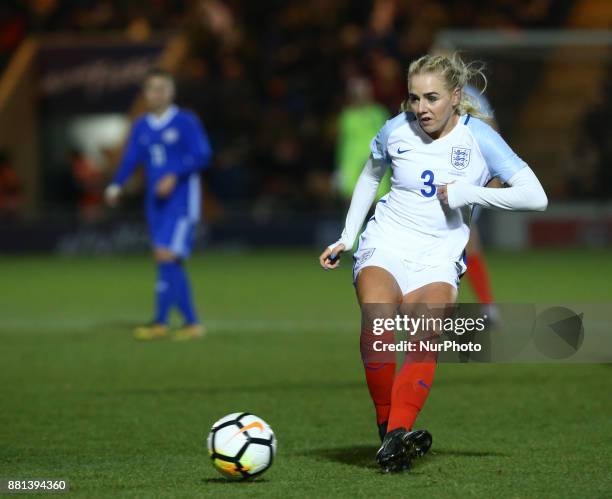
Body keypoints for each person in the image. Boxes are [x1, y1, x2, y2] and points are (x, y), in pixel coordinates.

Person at [318, 53, 547, 472]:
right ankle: (389, 430)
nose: (421, 108)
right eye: (414, 98)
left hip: (439, 255)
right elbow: (371, 176)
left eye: (432, 98)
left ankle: (394, 437)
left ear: (456, 97)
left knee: (424, 338)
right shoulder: (396, 130)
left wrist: (469, 193)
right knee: (379, 327)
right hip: (386, 242)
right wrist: (348, 236)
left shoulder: (480, 138)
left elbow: (535, 196)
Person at [105, 68, 212, 341]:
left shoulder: (185, 121)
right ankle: (187, 324)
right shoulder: (141, 124)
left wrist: (174, 175)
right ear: (145, 94)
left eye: (163, 88)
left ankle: (164, 322)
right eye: (153, 88)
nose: (158, 93)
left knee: (166, 255)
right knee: (166, 260)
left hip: (182, 200)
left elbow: (202, 155)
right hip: (155, 202)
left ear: (172, 92)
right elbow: (131, 158)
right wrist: (117, 184)